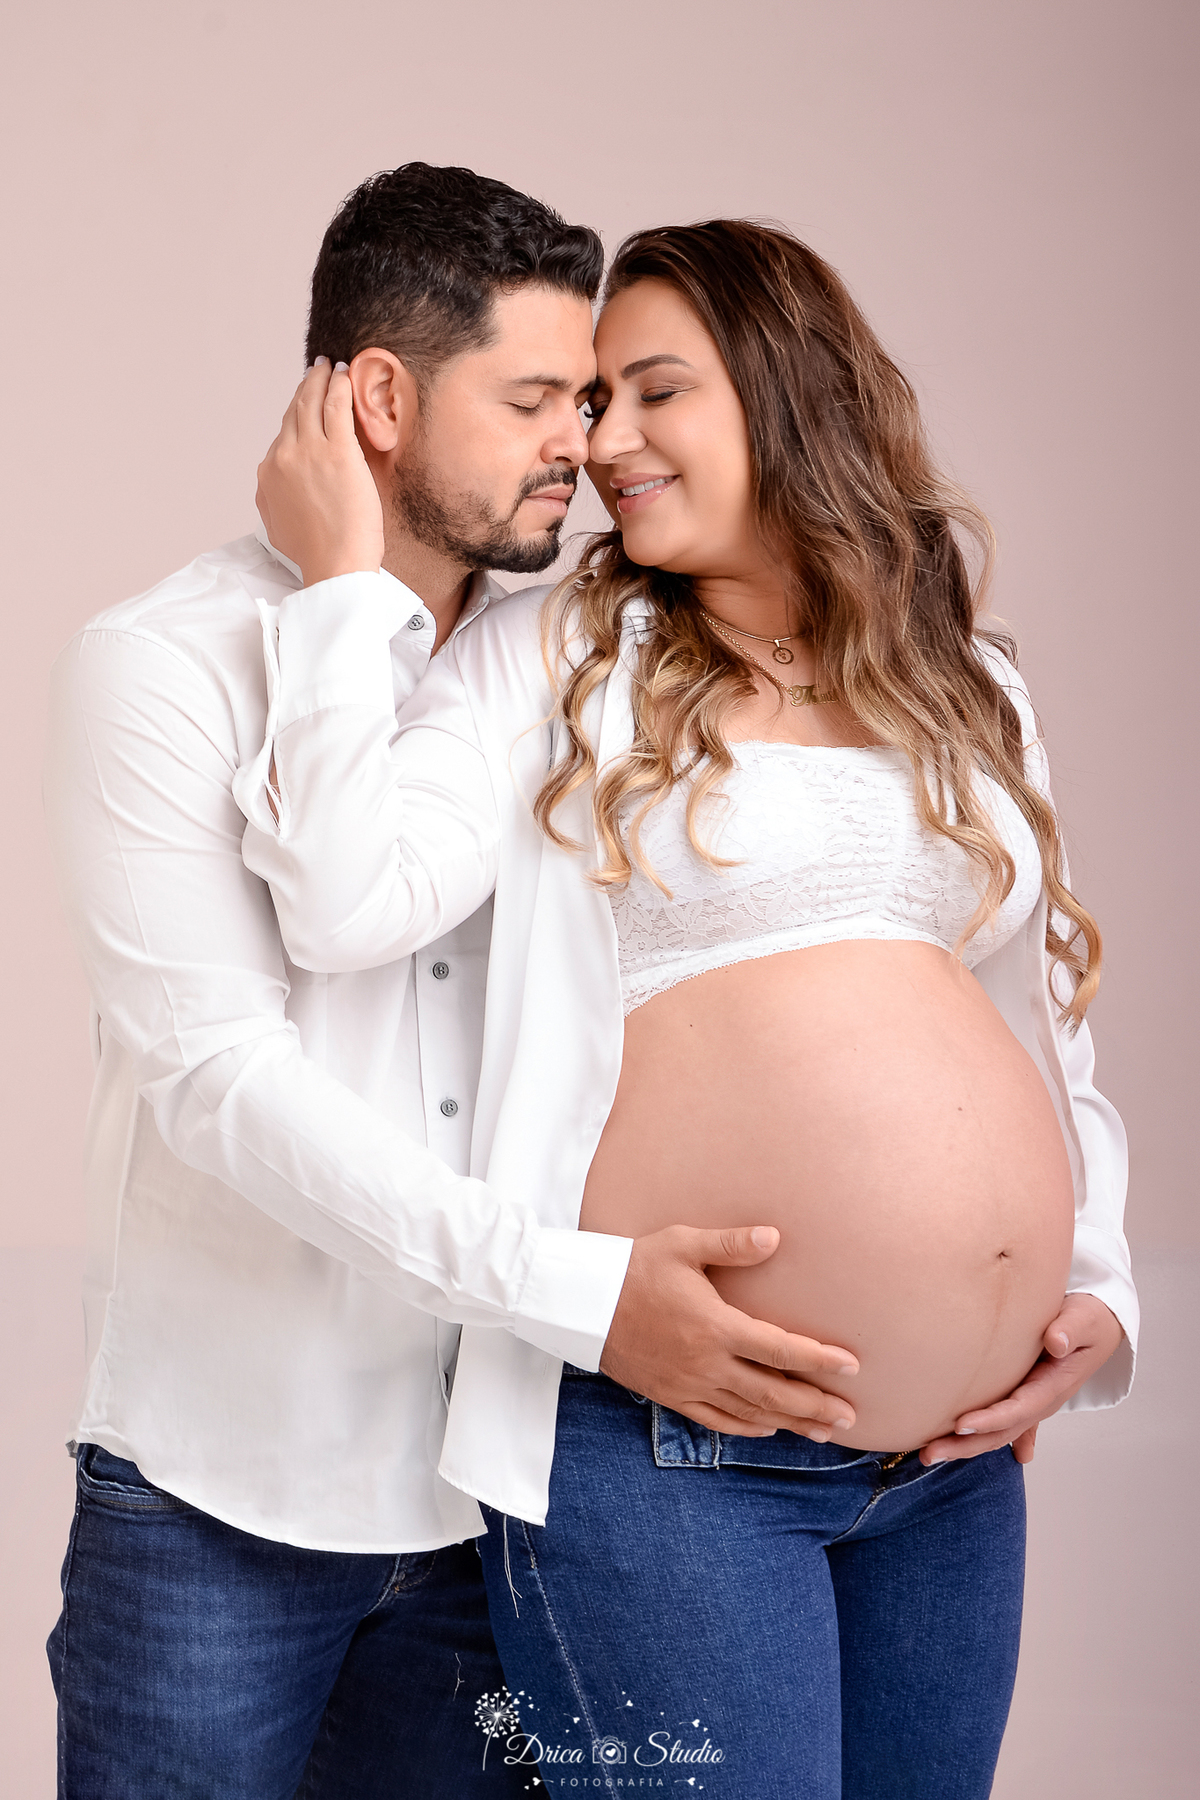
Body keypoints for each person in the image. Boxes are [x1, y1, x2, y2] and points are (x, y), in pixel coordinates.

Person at [248, 218, 1138, 1798]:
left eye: (654, 392)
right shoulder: (560, 653)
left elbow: (1038, 1022)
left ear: (790, 394)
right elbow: (341, 898)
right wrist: (337, 587)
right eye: (592, 403)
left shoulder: (965, 685)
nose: (601, 445)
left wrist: (1093, 1285)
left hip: (948, 1477)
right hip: (671, 1462)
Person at [42, 171, 855, 1800]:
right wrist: (581, 1292)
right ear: (383, 399)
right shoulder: (161, 663)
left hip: (512, 1498)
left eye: (602, 396)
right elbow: (223, 1084)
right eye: (539, 397)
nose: (587, 441)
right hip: (222, 1501)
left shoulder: (577, 657)